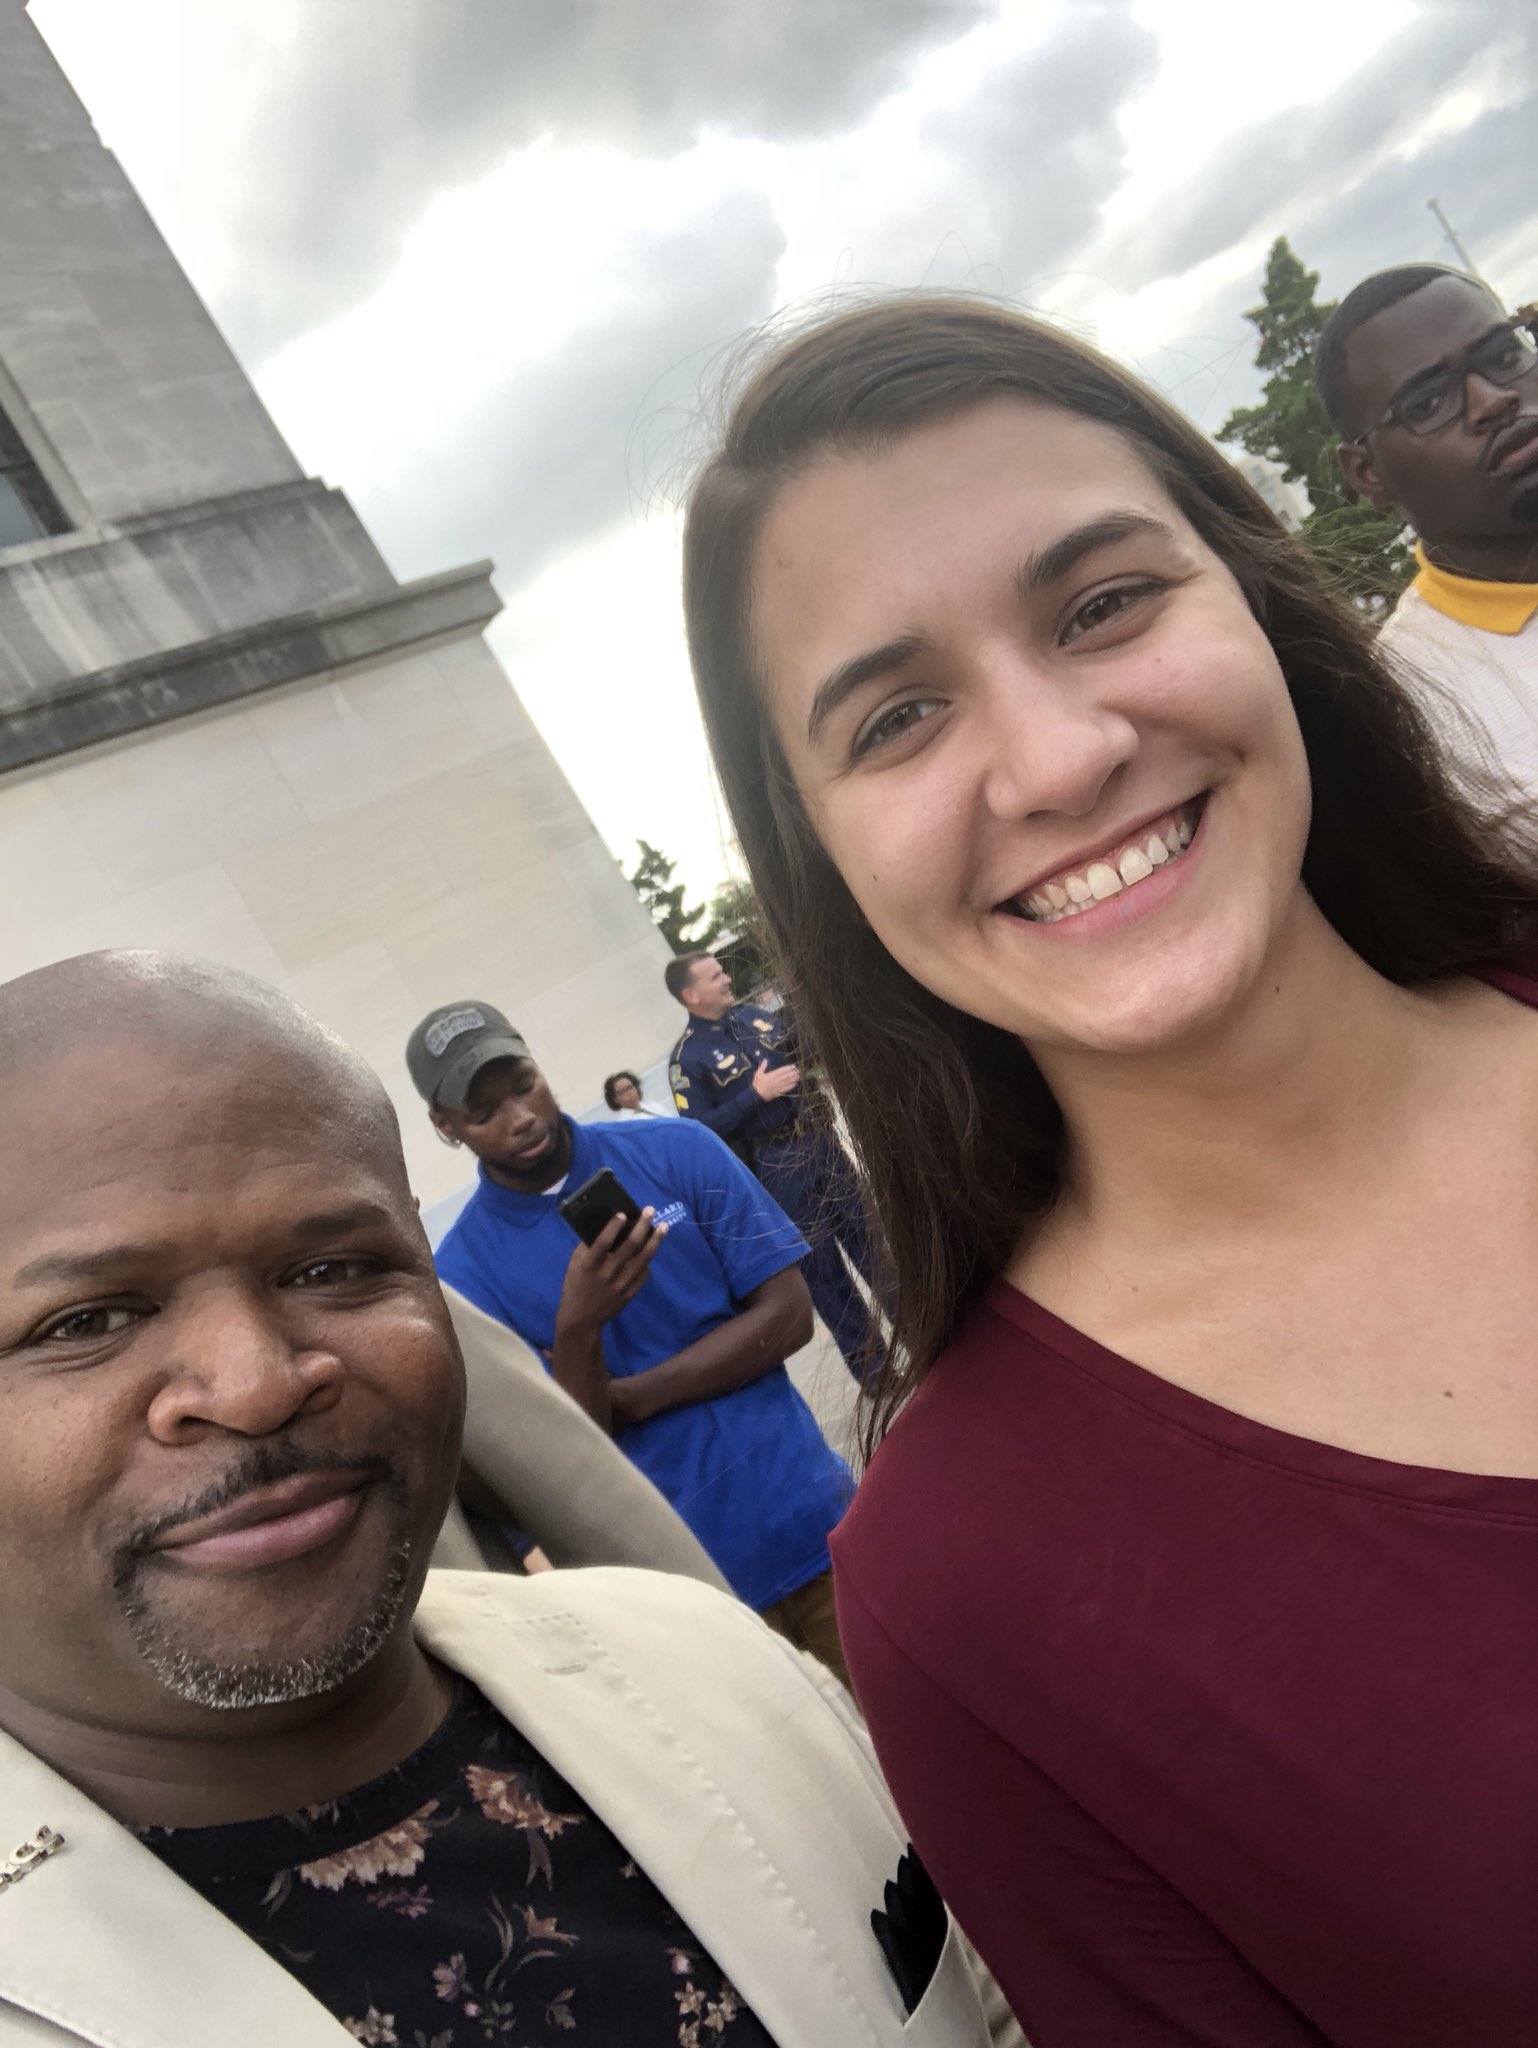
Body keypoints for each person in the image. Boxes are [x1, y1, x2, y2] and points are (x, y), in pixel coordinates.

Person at [681, 295, 1538, 2047]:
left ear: (1259, 593)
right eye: (896, 717)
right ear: (817, 854)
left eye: (1100, 603)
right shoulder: (958, 1594)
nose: (1061, 756)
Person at [0, 949, 1012, 2048]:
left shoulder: (713, 1673)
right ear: (450, 1131)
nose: (254, 1383)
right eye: (84, 1321)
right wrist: (582, 1328)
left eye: (330, 1267)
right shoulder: (480, 1260)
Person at [406, 999, 854, 1681]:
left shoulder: (679, 1150)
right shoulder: (461, 1282)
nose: (520, 1116)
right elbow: (560, 1462)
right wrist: (580, 1327)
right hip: (678, 1606)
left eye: (522, 1083)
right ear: (445, 1128)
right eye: (483, 1111)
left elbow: (790, 1317)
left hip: (815, 1527)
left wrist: (637, 1396)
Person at [1314, 264, 1538, 796]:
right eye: (1428, 403)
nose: (1492, 400)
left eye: (1504, 357)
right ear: (1367, 472)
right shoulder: (1409, 720)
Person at [666, 951, 879, 1374]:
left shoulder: (753, 1019)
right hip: (776, 1165)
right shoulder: (688, 1059)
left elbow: (806, 1051)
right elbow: (698, 1131)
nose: (727, 978)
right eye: (715, 976)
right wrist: (754, 1096)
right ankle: (874, 1368)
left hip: (820, 1143)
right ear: (691, 994)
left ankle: (926, 1333)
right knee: (822, 1270)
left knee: (873, 1243)